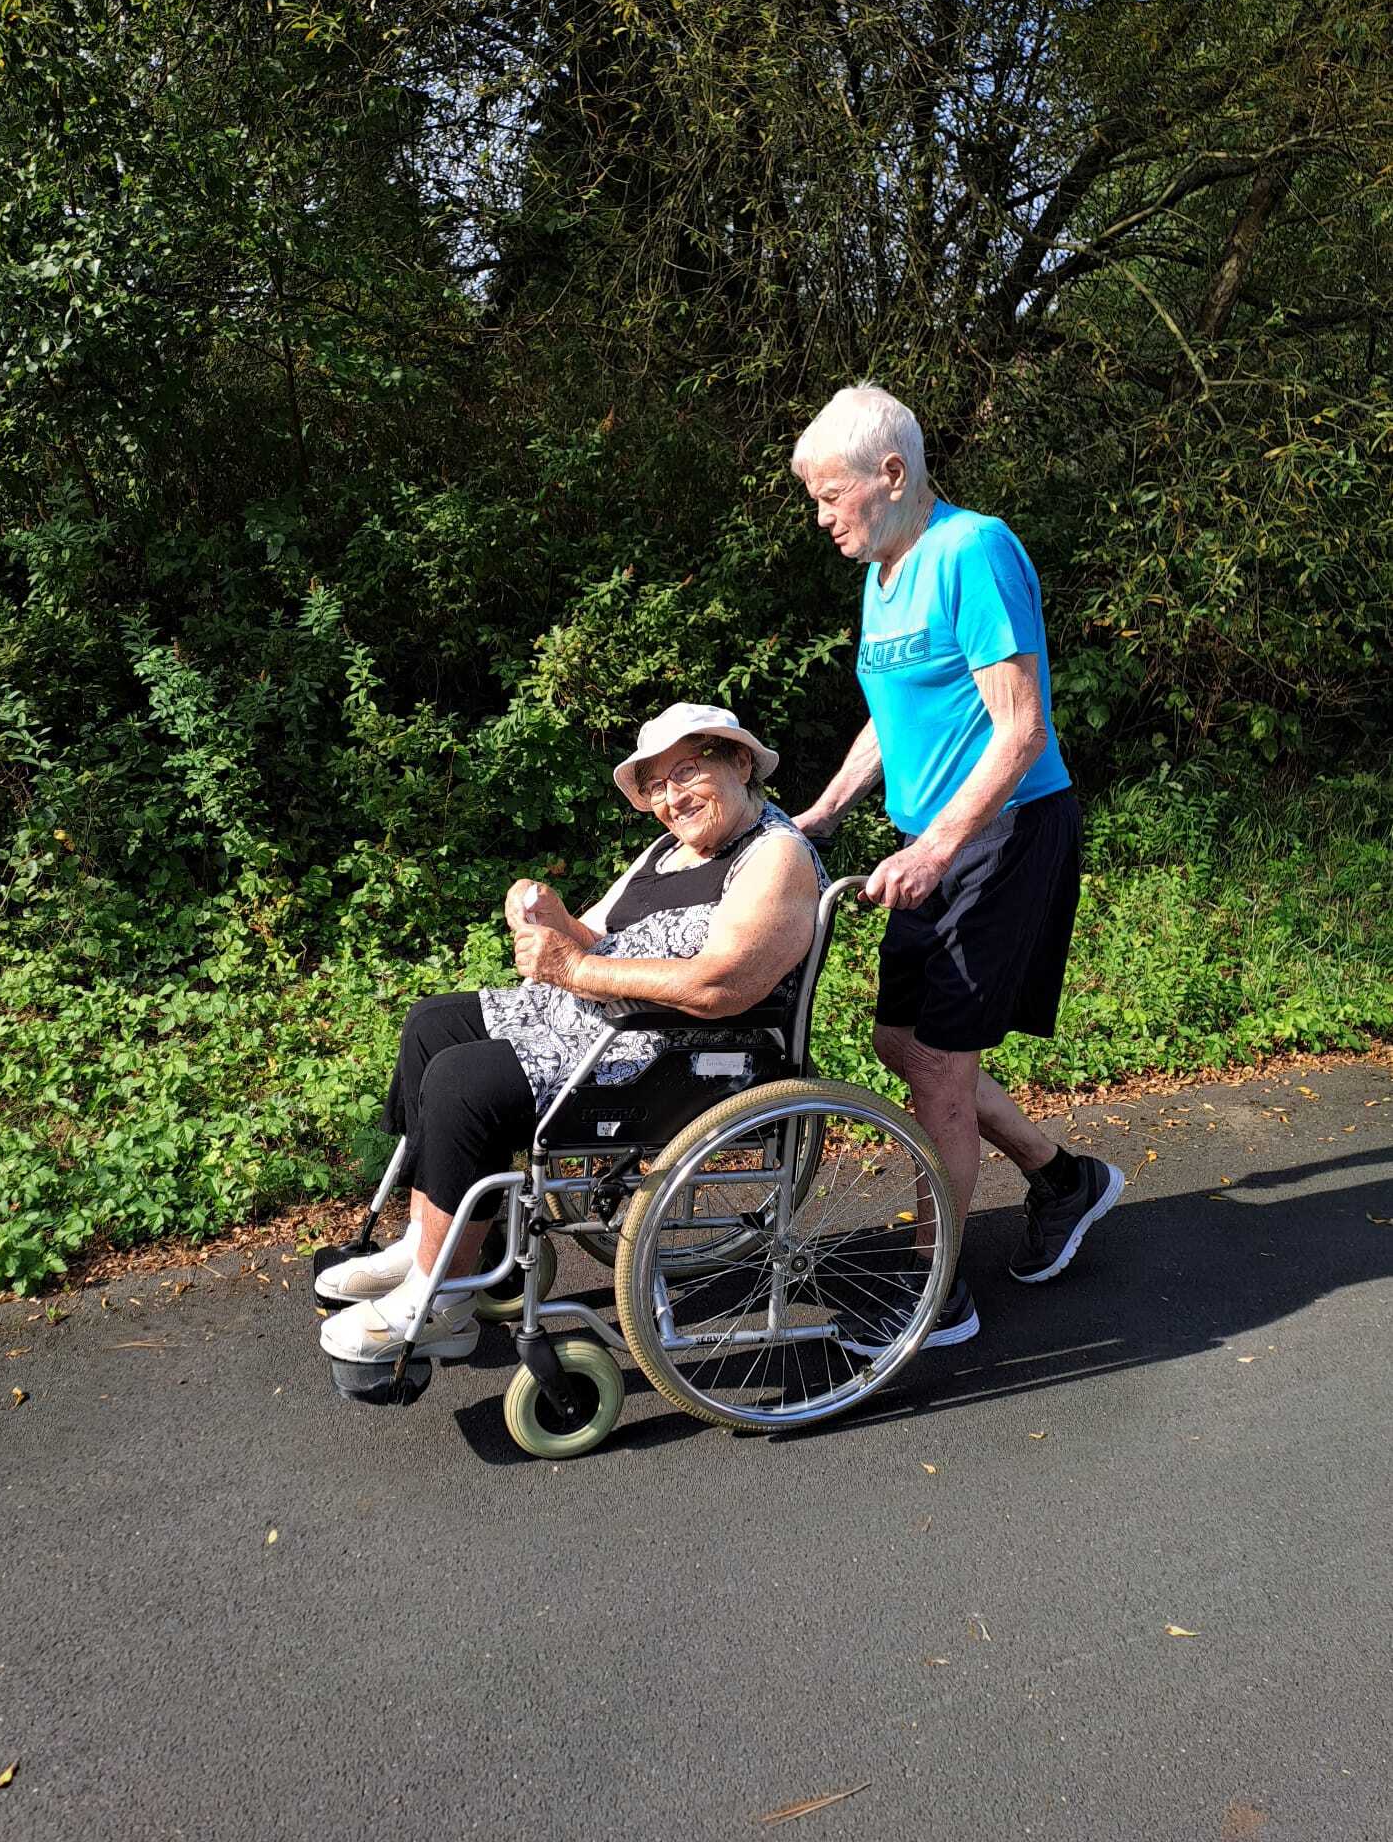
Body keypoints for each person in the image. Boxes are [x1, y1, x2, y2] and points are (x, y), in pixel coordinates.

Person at [317, 703, 826, 1368]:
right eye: (657, 786)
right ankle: (424, 1245)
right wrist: (548, 914)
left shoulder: (774, 857)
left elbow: (721, 985)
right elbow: (592, 936)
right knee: (431, 1025)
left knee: (465, 1083)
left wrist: (578, 970)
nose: (672, 798)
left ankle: (440, 1303)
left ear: (739, 761)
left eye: (687, 772)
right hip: (601, 1023)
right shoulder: (669, 851)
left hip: (678, 1055)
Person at [791, 384, 1122, 1348]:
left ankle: (938, 1293)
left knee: (938, 1064)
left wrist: (936, 847)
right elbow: (893, 719)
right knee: (901, 1042)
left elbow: (1021, 731)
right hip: (934, 843)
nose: (822, 518)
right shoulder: (883, 573)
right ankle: (1063, 1178)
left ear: (892, 474)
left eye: (831, 496)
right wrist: (822, 814)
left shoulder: (973, 550)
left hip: (1003, 833)